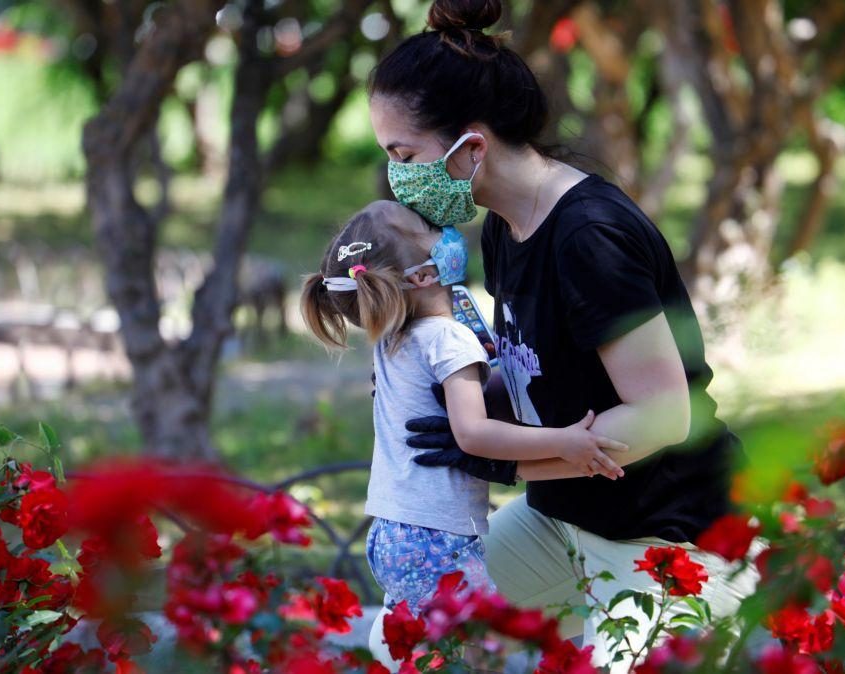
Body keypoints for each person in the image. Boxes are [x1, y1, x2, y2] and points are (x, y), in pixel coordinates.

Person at [366, 0, 756, 670]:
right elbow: (537, 365)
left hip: (670, 533)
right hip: (563, 518)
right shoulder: (502, 225)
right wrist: (455, 387)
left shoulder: (587, 238)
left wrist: (501, 460)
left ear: (472, 146)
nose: (397, 177)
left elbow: (663, 416)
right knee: (405, 640)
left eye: (404, 154)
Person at [299, 201, 629, 635]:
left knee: (434, 651)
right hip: (437, 539)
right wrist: (563, 441)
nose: (446, 231)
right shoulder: (451, 338)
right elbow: (472, 434)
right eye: (428, 227)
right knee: (471, 653)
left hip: (391, 533)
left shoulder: (394, 338)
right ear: (422, 276)